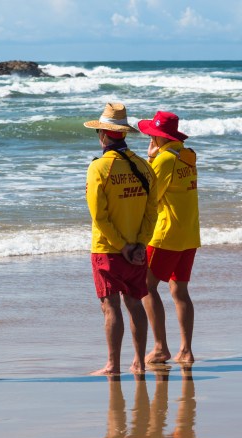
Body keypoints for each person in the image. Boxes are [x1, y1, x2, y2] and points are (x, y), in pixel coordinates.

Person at [83, 103, 158, 375]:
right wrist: (139, 244)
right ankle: (138, 361)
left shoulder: (99, 168)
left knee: (110, 306)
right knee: (135, 302)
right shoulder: (144, 166)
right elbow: (153, 210)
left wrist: (122, 246)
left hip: (108, 249)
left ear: (103, 134)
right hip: (137, 249)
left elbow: (99, 217)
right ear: (122, 133)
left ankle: (112, 364)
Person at [136, 111, 200, 367]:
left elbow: (150, 195)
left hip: (166, 233)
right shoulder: (188, 154)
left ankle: (161, 347)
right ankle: (186, 350)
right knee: (179, 290)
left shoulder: (164, 161)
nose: (149, 137)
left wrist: (151, 160)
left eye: (152, 134)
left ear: (158, 136)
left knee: (145, 287)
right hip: (189, 232)